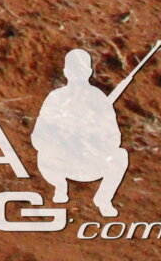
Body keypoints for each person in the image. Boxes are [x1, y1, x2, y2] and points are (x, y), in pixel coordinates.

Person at [35, 47, 135, 216]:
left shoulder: (98, 99)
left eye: (80, 70)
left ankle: (103, 199)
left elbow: (114, 139)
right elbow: (38, 137)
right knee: (45, 153)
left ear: (88, 72)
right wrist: (62, 138)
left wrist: (93, 140)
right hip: (61, 163)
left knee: (120, 156)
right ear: (66, 72)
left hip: (90, 163)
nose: (77, 74)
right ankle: (60, 187)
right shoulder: (56, 98)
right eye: (75, 70)